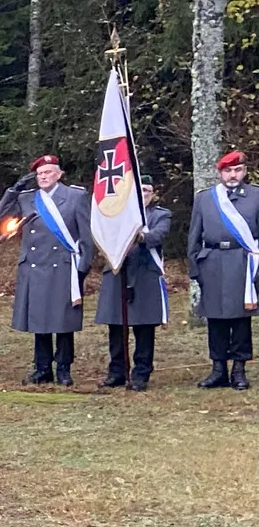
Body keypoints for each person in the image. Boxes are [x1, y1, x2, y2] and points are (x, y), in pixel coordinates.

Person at [0, 154, 94, 387]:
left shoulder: (75, 196)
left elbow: (86, 236)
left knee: (63, 321)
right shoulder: (28, 198)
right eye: (39, 174)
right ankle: (42, 368)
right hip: (34, 266)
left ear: (59, 174)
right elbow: (1, 217)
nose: (43, 177)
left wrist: (83, 268)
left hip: (63, 266)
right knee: (39, 320)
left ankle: (63, 368)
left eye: (48, 172)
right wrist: (13, 190)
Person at [188, 150, 259, 390]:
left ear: (245, 171)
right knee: (215, 319)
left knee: (240, 319)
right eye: (228, 171)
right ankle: (218, 368)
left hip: (242, 262)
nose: (233, 175)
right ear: (220, 173)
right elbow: (194, 236)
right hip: (213, 262)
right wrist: (195, 267)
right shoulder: (205, 199)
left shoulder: (256, 196)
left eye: (237, 170)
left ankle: (239, 369)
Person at [94, 176, 171, 391]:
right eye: (138, 191)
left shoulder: (160, 215)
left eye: (146, 191)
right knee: (116, 326)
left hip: (145, 273)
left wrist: (138, 235)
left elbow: (157, 236)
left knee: (144, 327)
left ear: (153, 194)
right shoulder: (116, 214)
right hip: (118, 272)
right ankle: (117, 371)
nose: (142, 195)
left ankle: (141, 373)